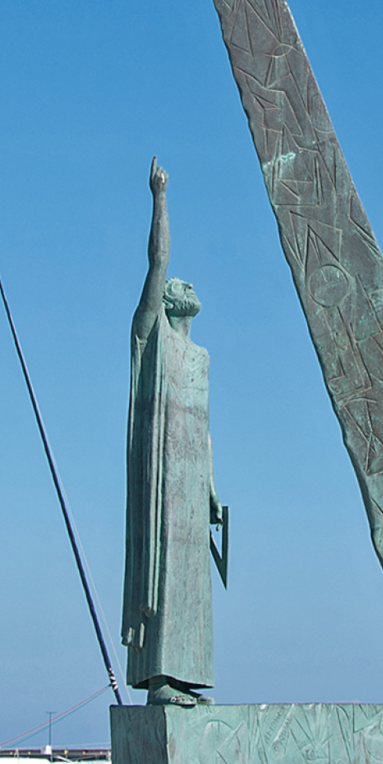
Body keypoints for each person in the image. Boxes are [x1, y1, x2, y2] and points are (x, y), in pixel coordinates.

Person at [121, 159, 226, 706]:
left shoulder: (201, 358)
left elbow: (203, 429)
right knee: (162, 568)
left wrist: (210, 487)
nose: (186, 283)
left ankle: (185, 675)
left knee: (191, 579)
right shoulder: (149, 333)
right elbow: (158, 261)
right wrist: (159, 198)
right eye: (178, 283)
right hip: (159, 474)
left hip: (189, 482)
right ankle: (159, 678)